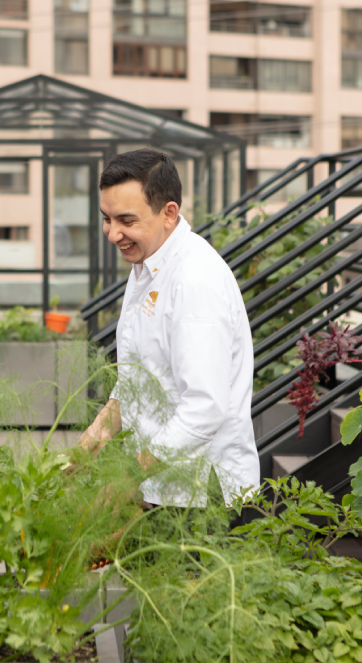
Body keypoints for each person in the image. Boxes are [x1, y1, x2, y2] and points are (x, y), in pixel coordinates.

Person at [78, 148, 259, 507]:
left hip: (200, 495)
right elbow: (138, 381)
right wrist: (82, 451)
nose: (113, 234)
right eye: (106, 218)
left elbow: (204, 408)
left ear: (169, 214)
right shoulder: (148, 263)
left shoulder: (194, 279)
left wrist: (130, 477)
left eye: (126, 221)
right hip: (162, 485)